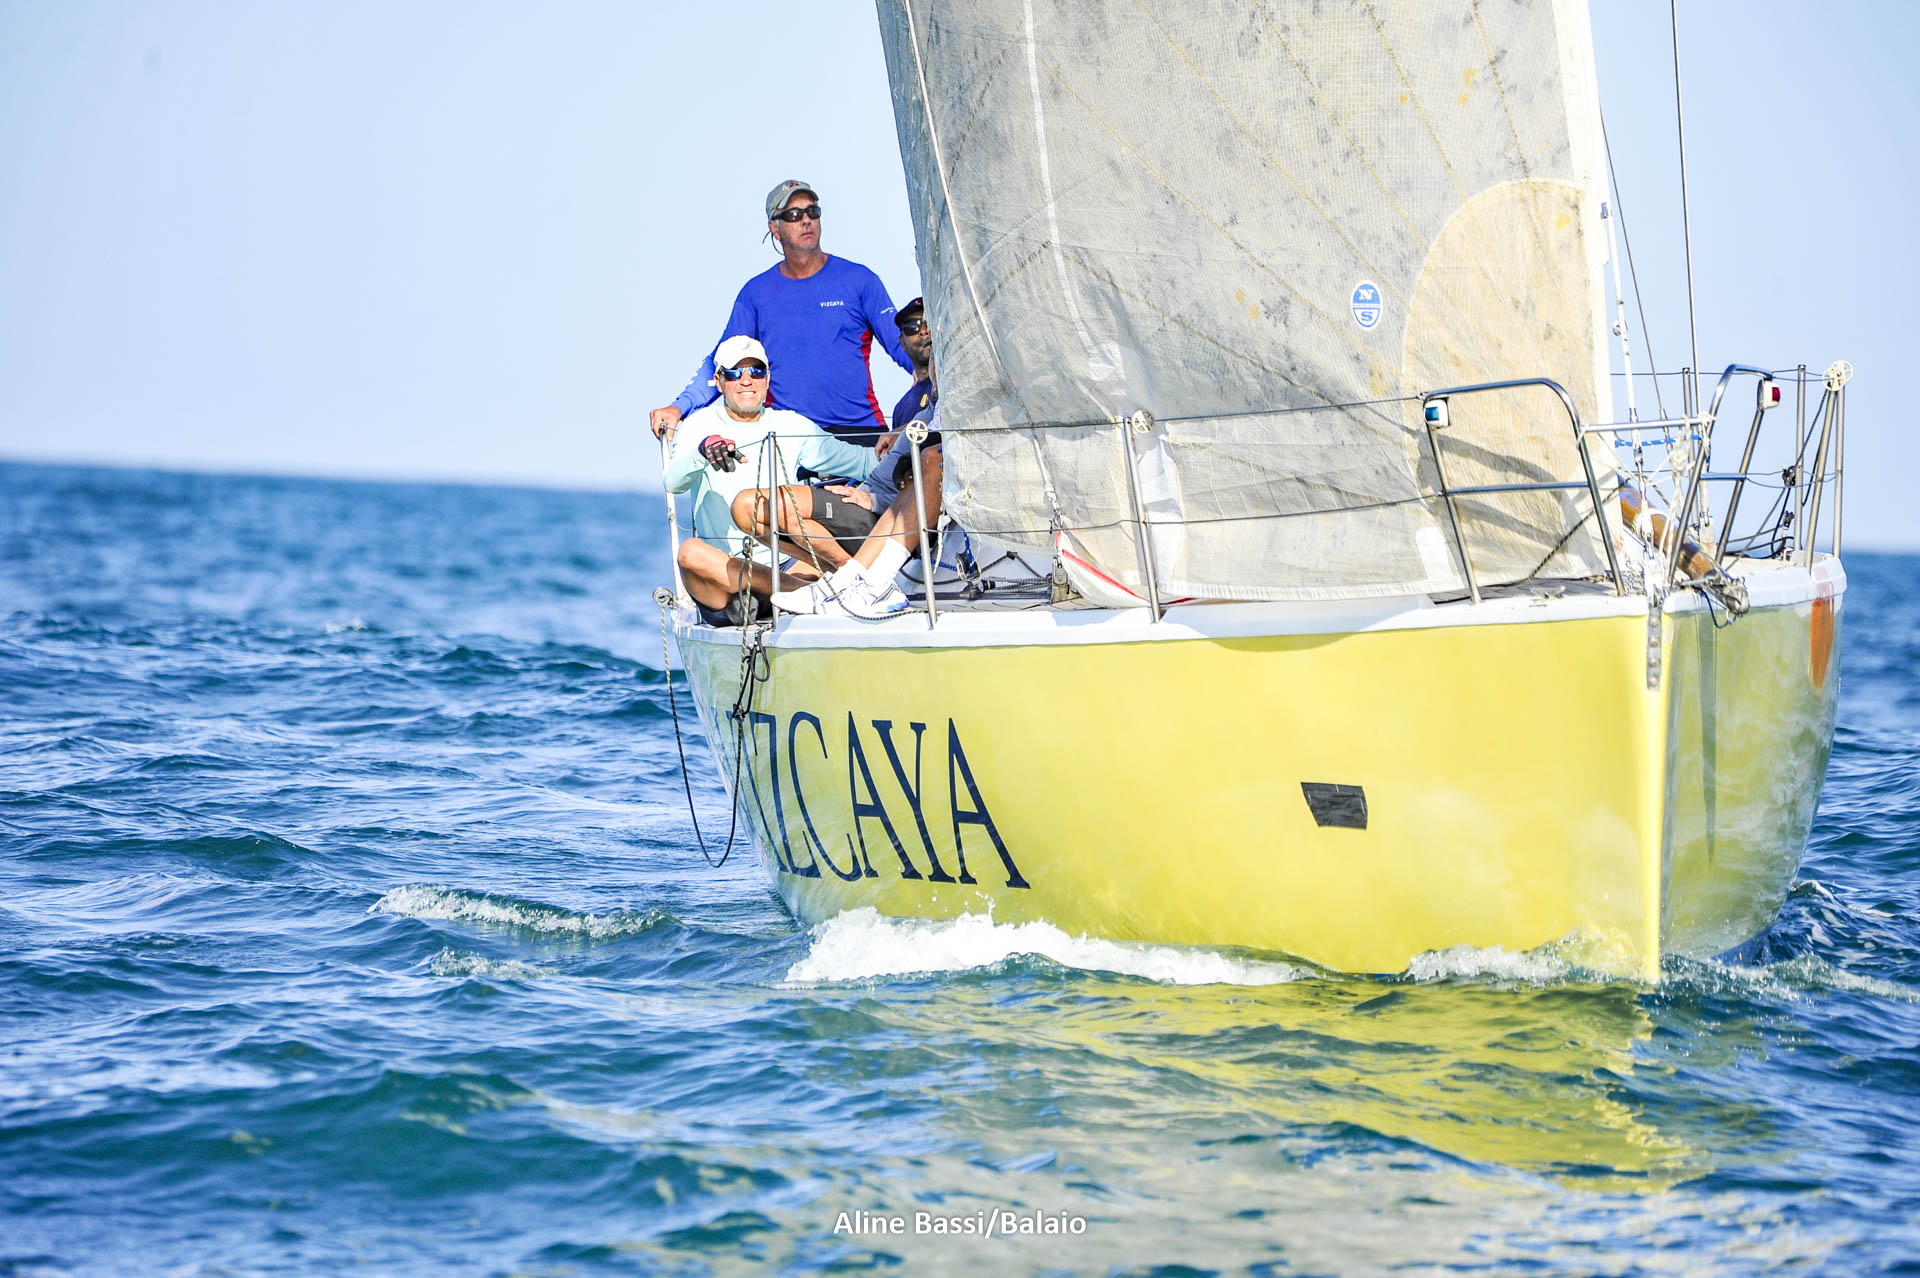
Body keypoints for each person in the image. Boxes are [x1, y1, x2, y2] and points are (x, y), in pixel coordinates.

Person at [648, 181, 913, 450]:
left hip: (861, 432)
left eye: (812, 211)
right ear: (775, 228)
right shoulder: (756, 293)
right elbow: (721, 360)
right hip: (791, 439)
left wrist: (931, 379)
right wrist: (678, 407)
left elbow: (903, 342)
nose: (806, 220)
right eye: (794, 215)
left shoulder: (859, 280)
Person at [663, 337, 879, 626]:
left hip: (787, 561)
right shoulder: (696, 425)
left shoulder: (792, 424)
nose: (746, 380)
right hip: (727, 572)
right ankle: (809, 593)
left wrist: (907, 447)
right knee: (689, 553)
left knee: (821, 546)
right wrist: (702, 451)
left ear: (767, 379)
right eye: (734, 373)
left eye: (756, 371)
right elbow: (673, 482)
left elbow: (863, 462)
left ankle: (787, 594)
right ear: (719, 381)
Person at [734, 300, 938, 574]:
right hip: (866, 496)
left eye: (929, 326)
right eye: (912, 327)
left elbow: (923, 484)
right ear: (900, 340)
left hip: (881, 511)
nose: (923, 332)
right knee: (750, 509)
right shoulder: (910, 407)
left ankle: (850, 575)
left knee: (756, 507)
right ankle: (844, 574)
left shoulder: (947, 414)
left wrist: (872, 499)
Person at [771, 404, 945, 619]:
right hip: (882, 497)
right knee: (761, 507)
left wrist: (872, 500)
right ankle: (848, 579)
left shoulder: (937, 419)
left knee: (929, 459)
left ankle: (868, 581)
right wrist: (902, 431)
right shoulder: (921, 410)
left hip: (879, 505)